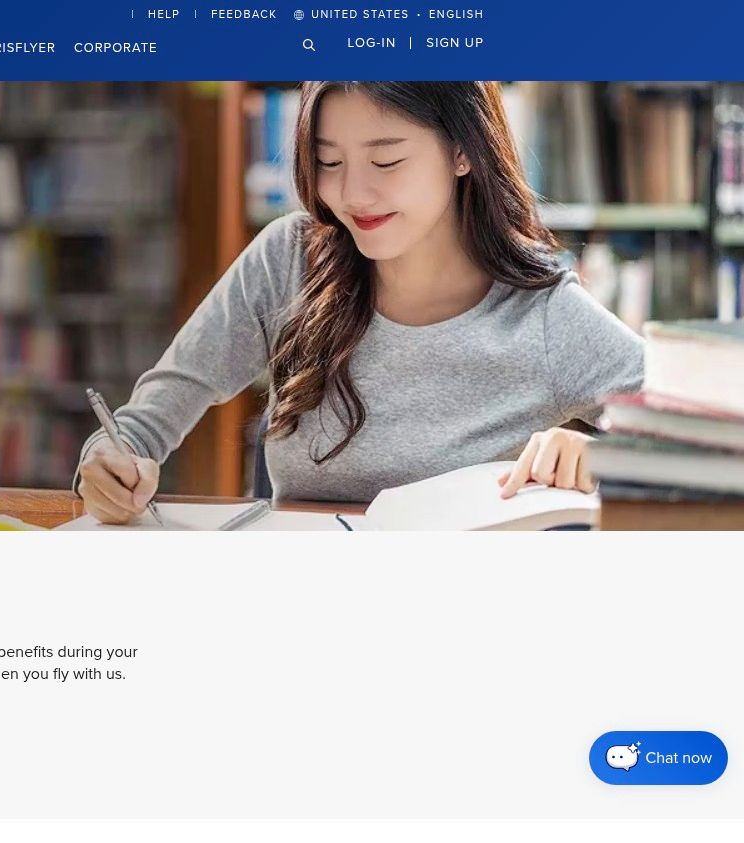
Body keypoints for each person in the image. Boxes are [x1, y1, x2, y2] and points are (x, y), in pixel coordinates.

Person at [76, 81, 643, 523]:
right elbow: (142, 422)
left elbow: (714, 442)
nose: (351, 195)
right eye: (329, 162)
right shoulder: (287, 260)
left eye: (386, 161)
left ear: (463, 153)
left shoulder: (543, 313)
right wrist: (108, 460)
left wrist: (599, 457)